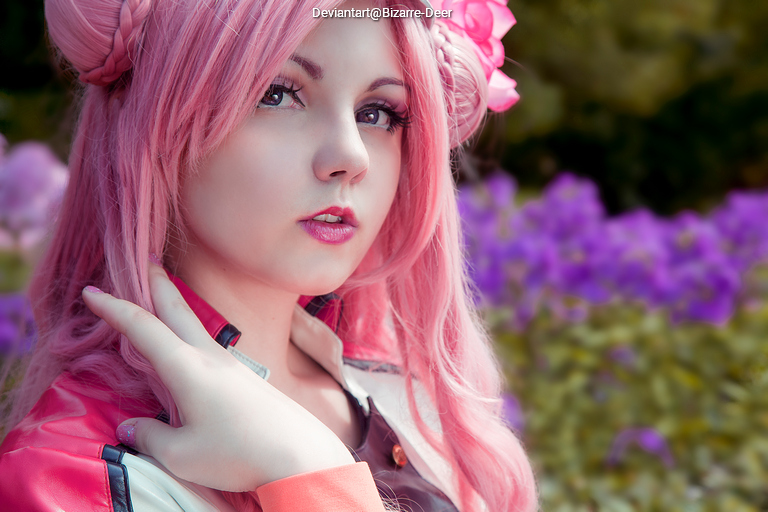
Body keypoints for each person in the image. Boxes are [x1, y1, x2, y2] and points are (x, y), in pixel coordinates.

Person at [0, 0, 537, 510]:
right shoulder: (71, 481)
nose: (350, 155)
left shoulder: (399, 392)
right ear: (152, 124)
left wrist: (308, 473)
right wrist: (311, 478)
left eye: (379, 112)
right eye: (278, 94)